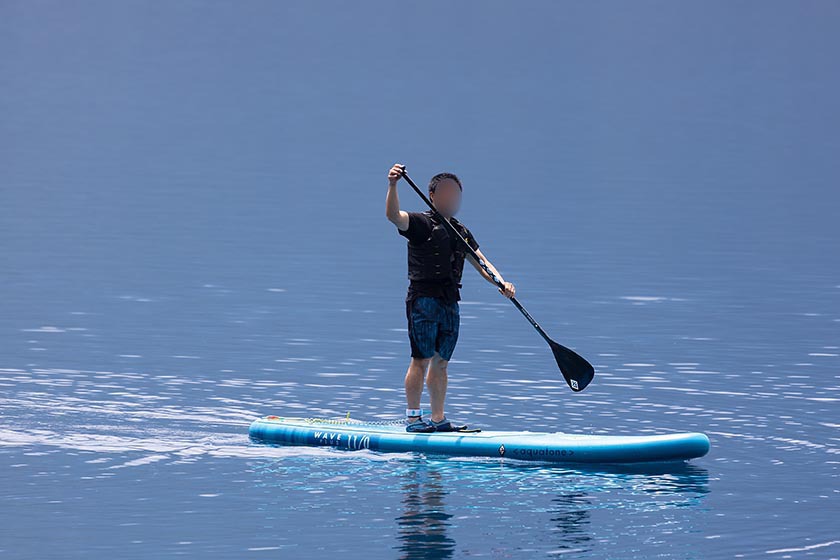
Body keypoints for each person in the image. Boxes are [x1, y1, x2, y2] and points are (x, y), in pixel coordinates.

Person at [386, 163, 516, 432]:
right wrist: (393, 185)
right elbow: (393, 216)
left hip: (449, 301)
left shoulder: (461, 231)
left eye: (455, 194)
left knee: (441, 363)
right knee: (420, 359)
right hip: (423, 299)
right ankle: (413, 419)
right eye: (445, 193)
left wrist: (501, 283)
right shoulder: (420, 223)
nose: (451, 199)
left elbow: (481, 262)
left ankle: (438, 419)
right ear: (432, 196)